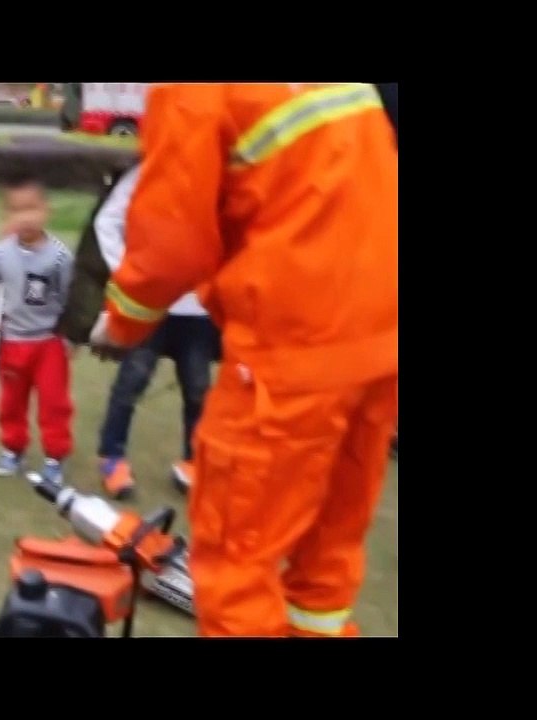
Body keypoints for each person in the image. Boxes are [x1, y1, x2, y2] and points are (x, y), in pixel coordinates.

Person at [91, 83, 398, 637]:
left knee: (236, 565)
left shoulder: (194, 91)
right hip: (379, 349)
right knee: (326, 561)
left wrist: (121, 322)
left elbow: (171, 243)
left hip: (291, 359)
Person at [89, 162, 221, 499]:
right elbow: (108, 221)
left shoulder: (219, 170)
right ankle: (112, 457)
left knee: (198, 387)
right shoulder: (149, 169)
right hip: (150, 306)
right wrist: (134, 275)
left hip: (198, 309)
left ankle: (195, 461)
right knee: (133, 379)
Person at [0, 176, 76, 484]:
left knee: (54, 402)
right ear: (7, 216)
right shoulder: (1, 253)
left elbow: (71, 296)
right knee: (11, 400)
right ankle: (13, 448)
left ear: (46, 210)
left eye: (32, 208)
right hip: (12, 341)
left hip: (48, 342)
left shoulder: (60, 256)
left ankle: (54, 458)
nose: (26, 217)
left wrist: (71, 337)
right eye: (17, 211)